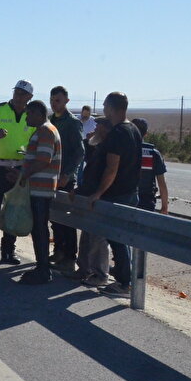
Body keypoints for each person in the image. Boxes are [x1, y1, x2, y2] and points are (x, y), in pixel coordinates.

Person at [86, 92, 143, 295]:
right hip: (129, 192)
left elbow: (112, 168)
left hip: (117, 194)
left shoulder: (119, 133)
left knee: (116, 238)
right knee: (119, 238)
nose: (103, 109)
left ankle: (123, 283)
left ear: (111, 108)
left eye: (104, 106)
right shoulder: (134, 129)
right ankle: (123, 279)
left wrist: (99, 193)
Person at [0, 81, 36, 266]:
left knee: (14, 210)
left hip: (18, 168)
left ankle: (8, 251)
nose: (18, 96)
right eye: (16, 92)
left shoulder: (31, 115)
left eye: (22, 93)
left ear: (29, 97)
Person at [14, 101, 62, 284]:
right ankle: (41, 267)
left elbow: (43, 160)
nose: (26, 117)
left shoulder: (45, 131)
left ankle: (43, 270)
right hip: (39, 188)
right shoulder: (44, 130)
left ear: (37, 113)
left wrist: (23, 175)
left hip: (41, 190)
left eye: (29, 114)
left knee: (40, 229)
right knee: (38, 228)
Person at [70, 117, 112, 287]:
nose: (96, 127)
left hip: (100, 197)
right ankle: (84, 269)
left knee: (98, 238)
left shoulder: (109, 149)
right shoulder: (98, 147)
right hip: (90, 196)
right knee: (87, 235)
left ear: (106, 129)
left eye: (100, 125)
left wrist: (97, 192)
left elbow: (101, 175)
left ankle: (100, 274)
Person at [48, 86, 85, 275]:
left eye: (58, 100)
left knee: (66, 220)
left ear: (66, 102)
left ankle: (70, 258)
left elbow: (80, 152)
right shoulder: (51, 121)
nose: (54, 104)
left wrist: (67, 175)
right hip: (51, 176)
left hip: (65, 178)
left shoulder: (72, 123)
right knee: (55, 218)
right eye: (52, 100)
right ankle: (59, 252)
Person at [133, 118, 170, 214]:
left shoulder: (123, 150)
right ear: (146, 133)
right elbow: (162, 183)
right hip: (146, 201)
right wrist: (164, 207)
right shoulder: (153, 153)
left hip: (126, 199)